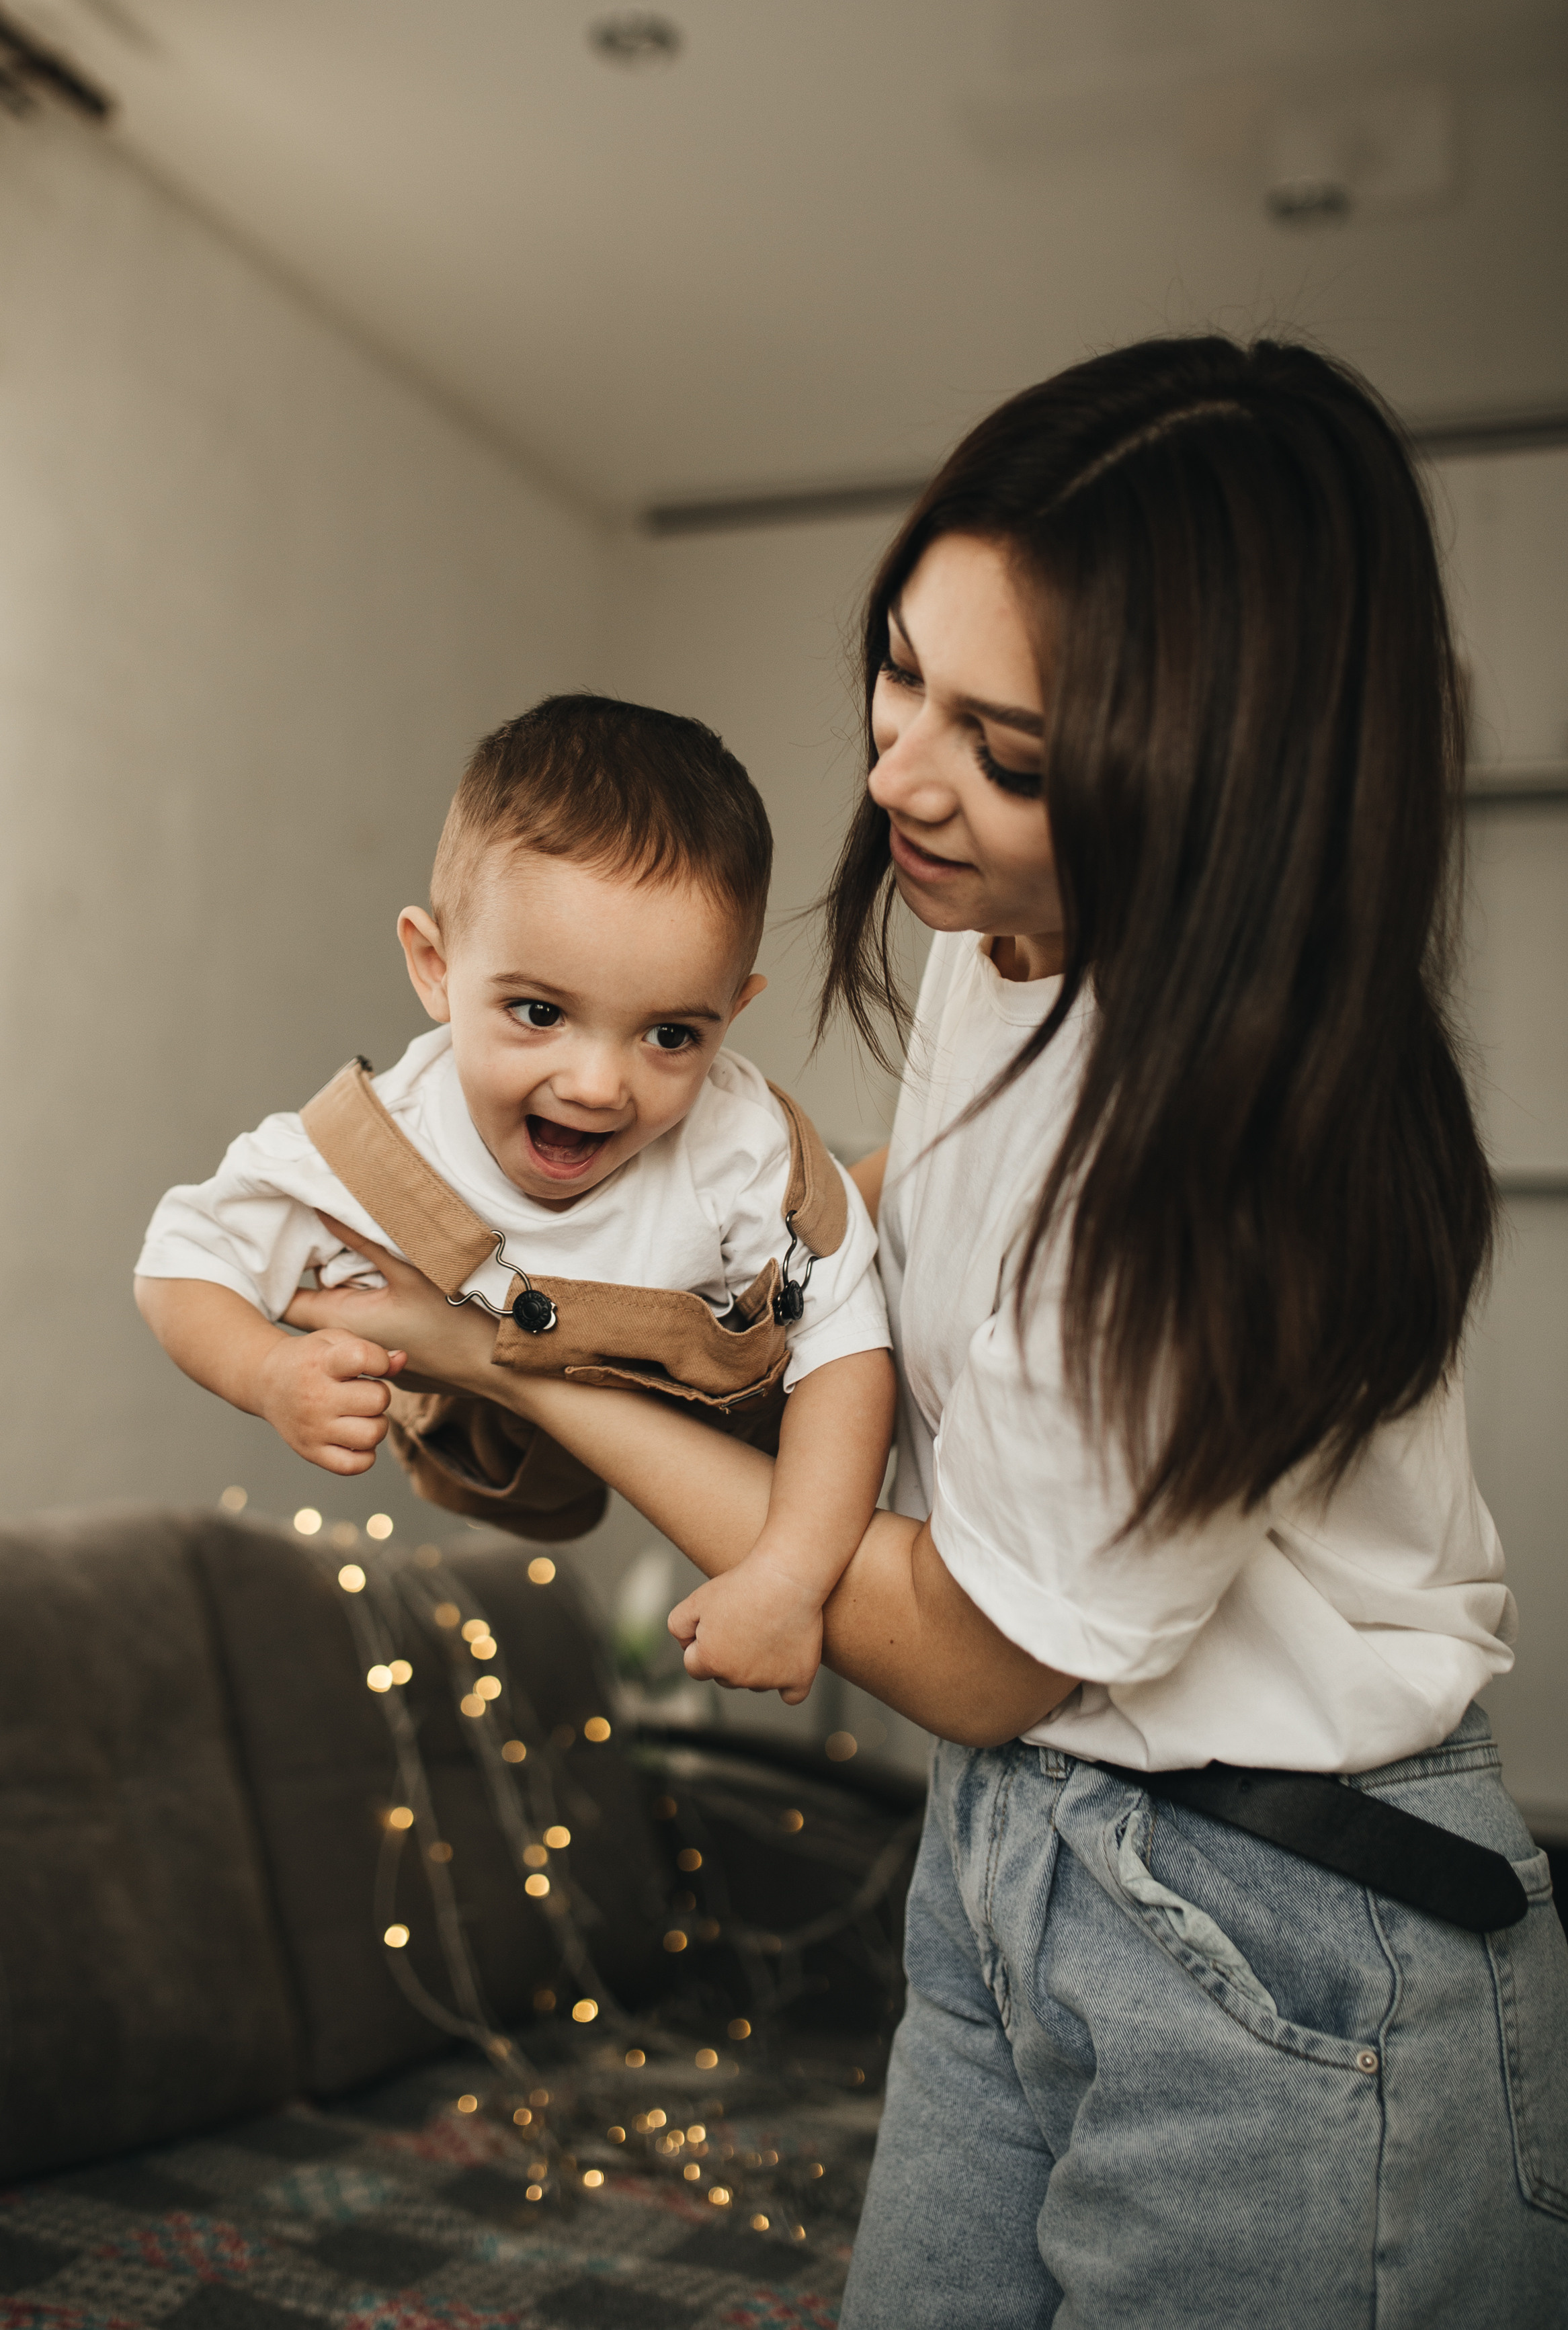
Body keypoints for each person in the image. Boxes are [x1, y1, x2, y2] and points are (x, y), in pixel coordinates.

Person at [280, 338, 1568, 2325]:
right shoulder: (1003, 938)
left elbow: (970, 1655)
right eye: (899, 670)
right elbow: (919, 1211)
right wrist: (613, 1266)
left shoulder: (1221, 1164)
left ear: (1216, 779)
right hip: (1021, 1857)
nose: (893, 777)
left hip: (1288, 1946)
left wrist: (520, 1360)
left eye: (1007, 749)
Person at [134, 694, 894, 1706]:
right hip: (479, 1447)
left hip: (723, 1430)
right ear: (435, 967)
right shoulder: (376, 1147)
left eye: (671, 1034)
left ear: (732, 1012)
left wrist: (788, 1579)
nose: (596, 1086)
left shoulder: (743, 1153)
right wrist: (268, 1370)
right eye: (539, 1013)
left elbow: (849, 1360)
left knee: (848, 1259)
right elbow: (179, 1261)